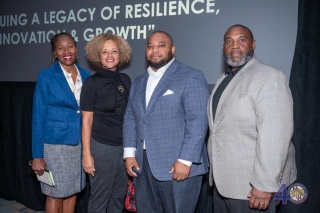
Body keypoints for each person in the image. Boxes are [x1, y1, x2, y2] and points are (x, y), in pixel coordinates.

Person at [207, 24, 297, 212]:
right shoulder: (224, 79)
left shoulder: (270, 77)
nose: (234, 45)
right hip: (224, 184)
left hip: (252, 188)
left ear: (253, 45)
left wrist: (264, 185)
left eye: (242, 40)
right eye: (229, 41)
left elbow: (275, 136)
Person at [123, 30, 209, 213]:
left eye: (161, 45)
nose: (155, 50)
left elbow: (197, 121)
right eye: (150, 46)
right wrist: (129, 153)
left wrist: (186, 160)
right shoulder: (138, 82)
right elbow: (131, 118)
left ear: (172, 49)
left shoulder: (190, 76)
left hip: (177, 166)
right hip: (143, 166)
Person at [31, 32, 91, 212]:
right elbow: (37, 116)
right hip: (55, 145)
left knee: (72, 190)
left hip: (79, 143)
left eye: (70, 46)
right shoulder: (47, 76)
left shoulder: (86, 75)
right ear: (54, 53)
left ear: (76, 49)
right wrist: (37, 155)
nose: (66, 51)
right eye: (60, 48)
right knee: (54, 193)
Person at [80, 33, 132, 213]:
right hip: (102, 147)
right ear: (98, 56)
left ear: (121, 54)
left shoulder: (125, 80)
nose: (110, 56)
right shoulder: (91, 83)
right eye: (105, 52)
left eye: (114, 51)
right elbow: (86, 121)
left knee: (118, 198)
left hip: (123, 148)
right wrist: (87, 154)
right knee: (100, 199)